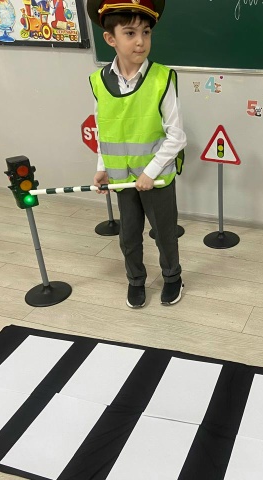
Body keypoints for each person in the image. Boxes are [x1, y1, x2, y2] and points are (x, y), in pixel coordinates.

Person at [86, 0, 186, 308]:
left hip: (156, 180)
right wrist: (102, 167)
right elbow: (104, 131)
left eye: (146, 32)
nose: (140, 41)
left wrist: (150, 173)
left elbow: (177, 136)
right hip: (121, 180)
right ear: (110, 38)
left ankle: (172, 277)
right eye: (130, 33)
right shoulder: (98, 82)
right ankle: (135, 280)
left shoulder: (161, 78)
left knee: (164, 233)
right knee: (129, 236)